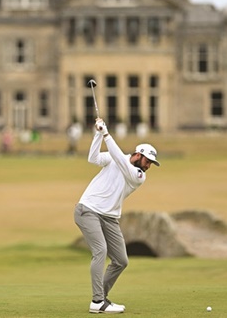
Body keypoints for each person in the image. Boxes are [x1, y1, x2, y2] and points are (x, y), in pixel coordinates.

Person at [74, 117, 160, 314]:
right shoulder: (117, 157)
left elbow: (121, 160)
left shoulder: (139, 176)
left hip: (109, 217)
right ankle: (97, 302)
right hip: (88, 209)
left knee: (121, 260)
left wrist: (106, 134)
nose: (148, 166)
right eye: (148, 161)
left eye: (151, 164)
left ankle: (101, 297)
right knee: (100, 251)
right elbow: (93, 158)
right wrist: (97, 134)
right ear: (138, 155)